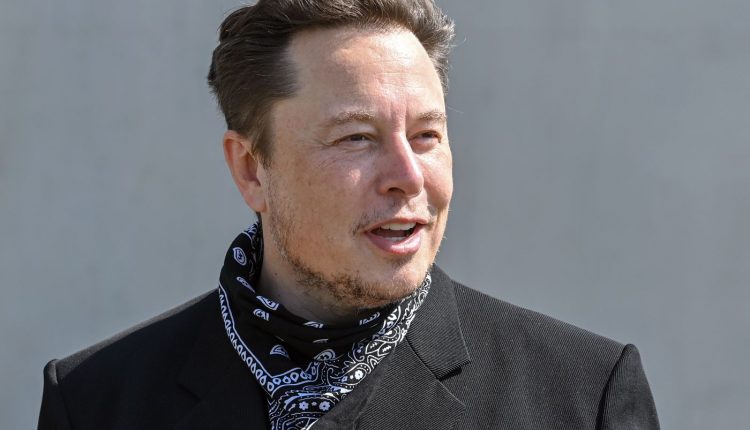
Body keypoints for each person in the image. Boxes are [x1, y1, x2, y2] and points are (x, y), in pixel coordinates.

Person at [37, 0, 660, 429]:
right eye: (356, 138)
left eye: (426, 135)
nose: (408, 176)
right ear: (252, 169)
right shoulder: (97, 402)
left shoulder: (580, 399)